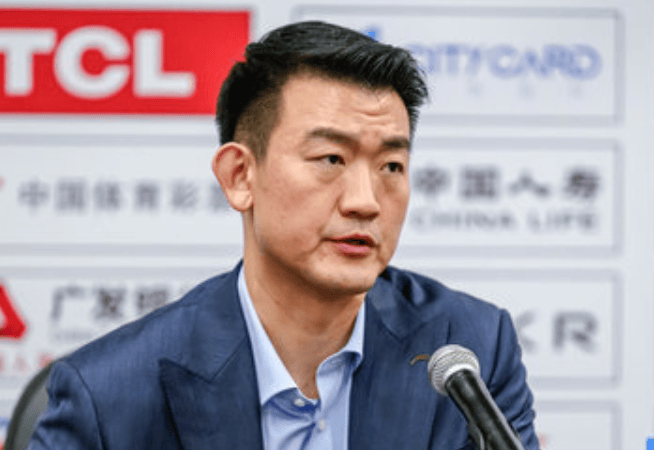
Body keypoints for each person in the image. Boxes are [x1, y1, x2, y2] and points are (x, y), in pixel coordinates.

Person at [28, 21, 539, 450]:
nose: (365, 201)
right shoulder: (108, 395)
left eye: (391, 165)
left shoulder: (469, 349)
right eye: (331, 159)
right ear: (240, 176)